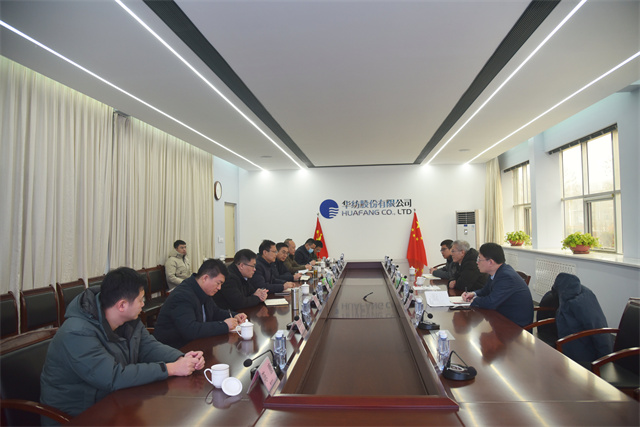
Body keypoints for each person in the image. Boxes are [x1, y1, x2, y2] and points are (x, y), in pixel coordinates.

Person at [40, 267, 204, 420]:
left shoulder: (127, 319)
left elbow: (148, 346)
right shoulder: (77, 333)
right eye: (140, 300)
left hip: (113, 401)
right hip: (77, 416)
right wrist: (170, 369)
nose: (143, 304)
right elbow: (113, 377)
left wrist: (181, 358)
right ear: (122, 305)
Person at [154, 259, 247, 349]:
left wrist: (235, 315)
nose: (219, 288)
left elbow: (215, 312)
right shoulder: (182, 296)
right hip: (175, 348)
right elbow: (190, 330)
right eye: (218, 283)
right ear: (205, 278)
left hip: (196, 344)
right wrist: (224, 326)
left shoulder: (203, 289)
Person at [462, 243, 533, 327]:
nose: (477, 262)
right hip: (501, 316)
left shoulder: (506, 277)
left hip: (515, 326)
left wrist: (473, 300)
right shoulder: (496, 271)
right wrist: (473, 294)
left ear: (490, 262)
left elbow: (491, 302)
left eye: (479, 259)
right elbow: (485, 290)